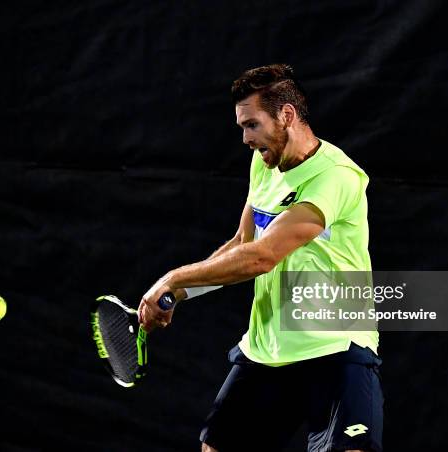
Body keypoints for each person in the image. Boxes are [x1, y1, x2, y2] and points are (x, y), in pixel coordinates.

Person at [138, 64, 383, 452]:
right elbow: (242, 244)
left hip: (335, 346)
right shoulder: (264, 164)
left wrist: (173, 277)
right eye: (241, 127)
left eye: (252, 125)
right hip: (268, 348)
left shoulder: (336, 176)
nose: (245, 139)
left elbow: (263, 257)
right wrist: (180, 293)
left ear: (286, 115)